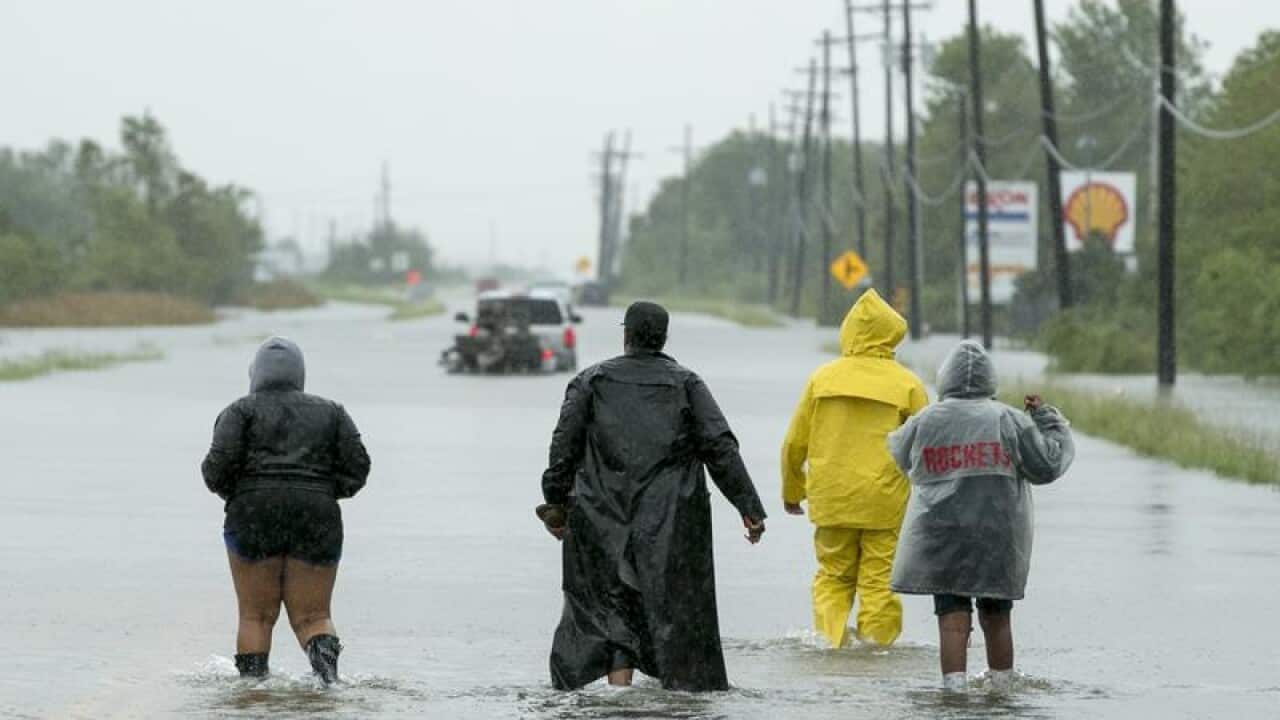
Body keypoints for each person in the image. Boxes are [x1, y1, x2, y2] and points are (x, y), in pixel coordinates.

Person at [537, 301, 767, 691]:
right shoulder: (686, 384)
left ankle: (619, 692)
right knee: (674, 612)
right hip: (671, 522)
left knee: (609, 604)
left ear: (625, 335)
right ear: (663, 338)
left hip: (600, 516)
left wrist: (556, 504)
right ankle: (673, 700)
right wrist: (749, 507)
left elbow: (563, 449)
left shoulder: (590, 382)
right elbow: (720, 447)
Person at [887, 340, 1074, 692]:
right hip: (997, 535)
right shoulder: (1008, 419)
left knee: (952, 618)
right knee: (996, 615)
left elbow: (899, 454)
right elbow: (1047, 465)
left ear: (945, 379)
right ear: (991, 379)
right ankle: (1002, 688)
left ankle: (953, 692)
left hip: (942, 533)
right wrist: (1046, 419)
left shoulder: (927, 420)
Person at [201, 337, 371, 684]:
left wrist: (245, 495)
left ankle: (253, 693)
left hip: (252, 514)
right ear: (300, 374)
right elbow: (358, 468)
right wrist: (323, 492)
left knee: (255, 617)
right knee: (314, 616)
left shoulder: (238, 411)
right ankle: (328, 687)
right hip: (316, 513)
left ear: (255, 374)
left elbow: (215, 470)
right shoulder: (332, 411)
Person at [780, 288, 928, 649]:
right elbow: (926, 445)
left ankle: (829, 645)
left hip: (832, 498)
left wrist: (792, 491)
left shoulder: (822, 378)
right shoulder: (907, 383)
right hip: (885, 500)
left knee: (833, 576)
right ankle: (876, 649)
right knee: (879, 581)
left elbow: (794, 443)